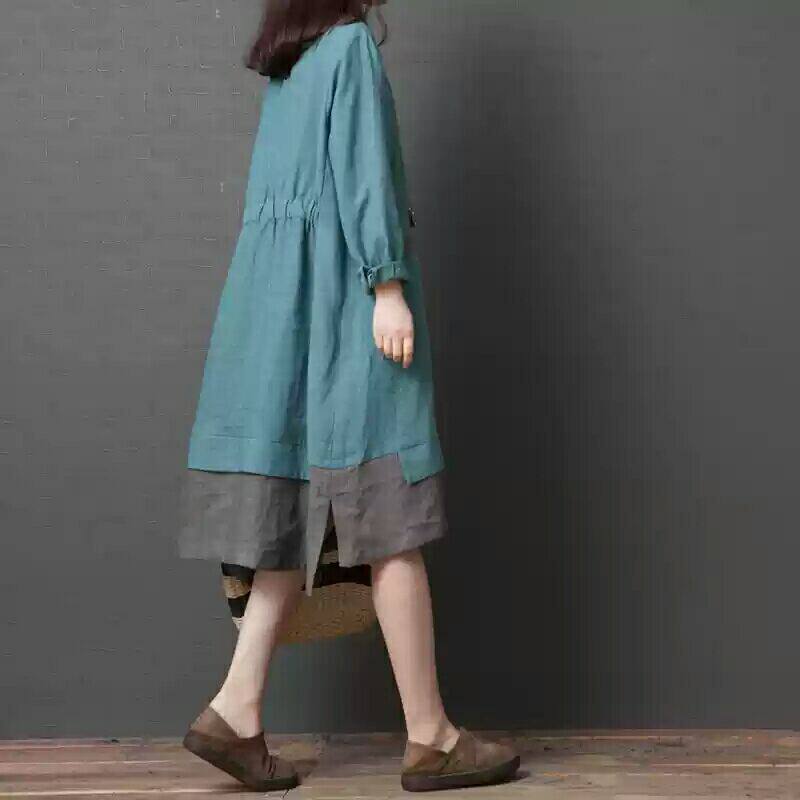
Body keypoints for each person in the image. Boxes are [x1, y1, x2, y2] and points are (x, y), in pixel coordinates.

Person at [177, 0, 520, 792]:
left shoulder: (291, 65)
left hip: (279, 311)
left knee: (302, 509)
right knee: (388, 509)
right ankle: (431, 737)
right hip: (344, 306)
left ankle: (236, 708)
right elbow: (364, 175)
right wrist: (387, 284)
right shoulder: (350, 49)